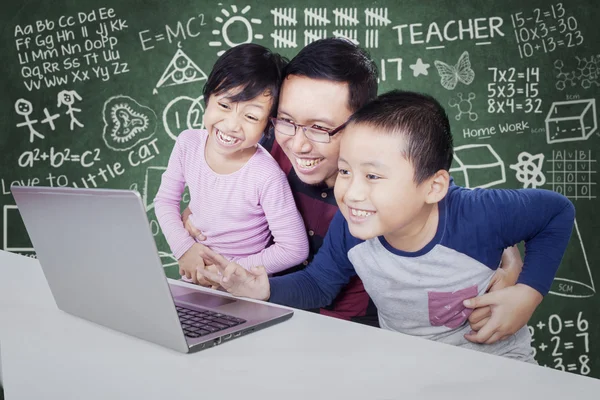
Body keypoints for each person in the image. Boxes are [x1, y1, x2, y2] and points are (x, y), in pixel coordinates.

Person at [197, 90, 575, 362]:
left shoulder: (477, 214)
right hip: (406, 365)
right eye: (345, 171)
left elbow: (556, 212)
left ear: (433, 186)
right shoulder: (351, 225)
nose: (352, 193)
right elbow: (319, 285)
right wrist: (261, 288)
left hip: (498, 365)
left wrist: (528, 293)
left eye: (373, 177)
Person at [183, 38, 524, 332]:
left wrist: (511, 263)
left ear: (363, 123)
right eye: (287, 120)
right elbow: (216, 175)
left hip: (357, 329)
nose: (299, 144)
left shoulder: (388, 174)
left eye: (320, 128)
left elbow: (450, 203)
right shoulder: (269, 144)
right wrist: (202, 210)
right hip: (264, 309)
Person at [154, 43, 309, 286]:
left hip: (241, 288)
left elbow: (294, 248)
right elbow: (165, 201)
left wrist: (228, 271)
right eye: (224, 105)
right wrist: (185, 249)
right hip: (194, 277)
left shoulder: (266, 175)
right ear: (207, 99)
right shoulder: (188, 144)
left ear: (268, 125)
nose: (231, 125)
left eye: (250, 116)